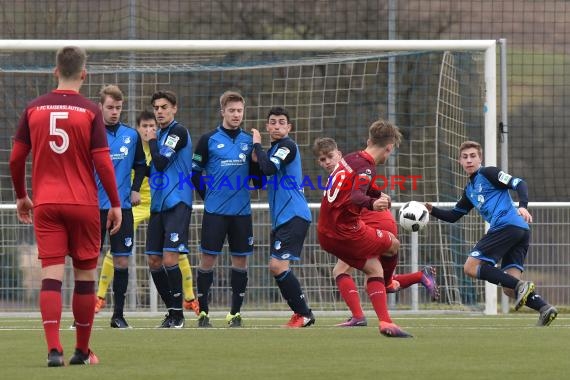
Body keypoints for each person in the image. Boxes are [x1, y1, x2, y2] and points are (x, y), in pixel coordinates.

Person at [9, 46, 122, 366]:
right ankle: (82, 351)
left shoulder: (33, 109)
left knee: (51, 278)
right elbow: (102, 162)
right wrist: (115, 203)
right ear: (84, 75)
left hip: (46, 204)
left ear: (54, 71)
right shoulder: (90, 112)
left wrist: (21, 196)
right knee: (86, 277)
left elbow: (16, 159)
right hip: (84, 204)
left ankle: (54, 349)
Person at [425, 140, 558, 326]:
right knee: (509, 289)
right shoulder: (469, 190)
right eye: (465, 157)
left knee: (470, 267)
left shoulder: (488, 173)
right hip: (519, 231)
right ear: (459, 162)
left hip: (507, 226)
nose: (469, 160)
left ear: (480, 158)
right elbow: (454, 215)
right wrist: (431, 210)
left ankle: (521, 286)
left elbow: (519, 183)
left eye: (473, 156)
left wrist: (523, 206)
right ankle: (545, 308)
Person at [312, 137, 439, 327]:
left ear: (339, 155)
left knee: (350, 270)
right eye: (322, 160)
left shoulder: (349, 167)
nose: (328, 162)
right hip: (369, 223)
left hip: (372, 223)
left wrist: (374, 198)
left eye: (330, 157)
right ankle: (419, 276)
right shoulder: (347, 168)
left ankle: (361, 316)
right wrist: (377, 194)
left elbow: (357, 195)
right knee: (370, 273)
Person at [94, 111, 200, 318]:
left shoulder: (164, 142)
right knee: (118, 251)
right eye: (144, 126)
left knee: (176, 253)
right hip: (136, 204)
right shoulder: (131, 144)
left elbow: (165, 165)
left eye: (152, 126)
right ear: (138, 128)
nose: (148, 130)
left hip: (162, 201)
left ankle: (189, 298)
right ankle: (100, 296)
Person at [317, 119, 412, 337]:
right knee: (393, 245)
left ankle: (385, 323)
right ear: (389, 148)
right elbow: (358, 194)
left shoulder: (351, 158)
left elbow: (360, 183)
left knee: (373, 268)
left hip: (324, 232)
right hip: (346, 232)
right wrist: (373, 203)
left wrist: (378, 194)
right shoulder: (368, 168)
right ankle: (389, 283)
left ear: (369, 140)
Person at [191, 91, 259, 328]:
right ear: (223, 111)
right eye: (231, 110)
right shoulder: (208, 140)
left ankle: (235, 314)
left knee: (241, 262)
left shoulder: (249, 141)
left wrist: (258, 158)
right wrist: (209, 197)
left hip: (241, 213)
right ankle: (204, 313)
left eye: (239, 110)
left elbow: (258, 182)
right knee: (207, 260)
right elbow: (195, 174)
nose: (236, 115)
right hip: (215, 213)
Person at [251, 107, 315, 328]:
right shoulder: (273, 151)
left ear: (289, 127)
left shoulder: (287, 146)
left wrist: (257, 145)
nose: (277, 125)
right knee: (276, 267)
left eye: (281, 122)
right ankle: (301, 313)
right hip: (282, 219)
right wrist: (254, 157)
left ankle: (304, 314)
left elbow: (268, 169)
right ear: (268, 126)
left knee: (278, 266)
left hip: (294, 215)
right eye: (272, 122)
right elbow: (258, 181)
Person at [146, 90, 193, 328]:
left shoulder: (177, 132)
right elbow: (150, 167)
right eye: (156, 108)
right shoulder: (161, 135)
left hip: (177, 202)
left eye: (164, 107)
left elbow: (162, 162)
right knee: (154, 260)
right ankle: (172, 311)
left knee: (170, 258)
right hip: (158, 206)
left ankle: (179, 315)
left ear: (174, 108)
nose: (160, 111)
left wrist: (151, 140)